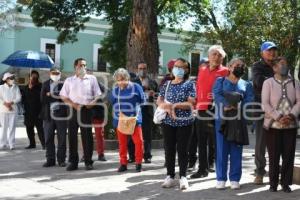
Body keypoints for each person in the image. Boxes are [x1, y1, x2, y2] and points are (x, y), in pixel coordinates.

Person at [213, 58, 254, 189]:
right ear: (229, 67)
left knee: (236, 148)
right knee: (221, 149)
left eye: (242, 66)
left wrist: (239, 106)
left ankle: (235, 178)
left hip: (238, 120)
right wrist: (226, 105)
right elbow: (217, 94)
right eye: (237, 65)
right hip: (222, 119)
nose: (240, 67)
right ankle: (221, 178)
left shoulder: (246, 84)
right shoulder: (220, 81)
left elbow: (249, 100)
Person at [262, 57, 300, 193]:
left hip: (290, 125)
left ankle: (286, 183)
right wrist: (277, 117)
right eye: (281, 64)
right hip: (273, 126)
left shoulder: (295, 83)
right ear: (275, 67)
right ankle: (273, 184)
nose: (285, 66)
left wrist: (290, 116)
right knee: (273, 156)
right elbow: (265, 103)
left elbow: (299, 102)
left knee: (289, 155)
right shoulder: (268, 83)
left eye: (286, 63)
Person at [157, 58, 195, 190]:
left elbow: (191, 103)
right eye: (176, 66)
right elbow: (159, 100)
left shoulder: (189, 84)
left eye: (182, 67)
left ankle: (183, 177)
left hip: (185, 122)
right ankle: (170, 176)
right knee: (169, 149)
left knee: (183, 150)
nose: (178, 69)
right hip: (168, 122)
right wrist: (165, 106)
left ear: (187, 70)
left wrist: (174, 106)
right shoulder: (166, 84)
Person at [192, 45, 229, 179]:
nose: (217, 57)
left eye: (220, 55)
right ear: (208, 56)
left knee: (216, 140)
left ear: (223, 59)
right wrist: (195, 106)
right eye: (214, 54)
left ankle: (219, 168)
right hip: (201, 109)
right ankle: (203, 169)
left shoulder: (226, 71)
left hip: (217, 109)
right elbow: (198, 88)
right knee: (201, 141)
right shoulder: (202, 70)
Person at [60, 58, 101, 171]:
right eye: (81, 65)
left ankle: (88, 161)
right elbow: (63, 96)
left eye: (85, 65)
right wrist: (73, 105)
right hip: (73, 110)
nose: (83, 67)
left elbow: (97, 95)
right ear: (75, 67)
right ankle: (73, 162)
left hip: (86, 110)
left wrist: (93, 103)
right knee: (72, 136)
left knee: (87, 136)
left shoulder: (92, 79)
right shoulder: (69, 80)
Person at [252, 41, 278, 184]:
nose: (272, 53)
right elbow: (258, 82)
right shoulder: (257, 66)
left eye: (274, 50)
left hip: (279, 108)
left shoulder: (280, 64)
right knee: (261, 142)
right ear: (262, 52)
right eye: (269, 50)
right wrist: (276, 80)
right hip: (261, 107)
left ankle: (276, 171)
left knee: (277, 141)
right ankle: (260, 172)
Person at [110, 68, 145, 173]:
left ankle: (138, 163)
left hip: (134, 119)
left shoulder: (136, 87)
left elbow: (142, 100)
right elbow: (113, 102)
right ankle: (123, 163)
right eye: (118, 79)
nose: (120, 81)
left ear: (127, 78)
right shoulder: (116, 90)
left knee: (138, 142)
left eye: (122, 79)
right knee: (122, 143)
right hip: (120, 120)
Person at [129, 62, 158, 164]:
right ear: (137, 69)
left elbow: (158, 97)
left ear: (147, 69)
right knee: (132, 134)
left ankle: (147, 156)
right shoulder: (132, 82)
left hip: (147, 110)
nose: (142, 70)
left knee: (147, 135)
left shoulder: (153, 82)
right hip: (135, 111)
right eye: (140, 68)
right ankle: (132, 156)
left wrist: (153, 94)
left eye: (144, 68)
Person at [40, 68, 68, 167]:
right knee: (48, 138)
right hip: (48, 115)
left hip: (61, 115)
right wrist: (57, 96)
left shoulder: (64, 84)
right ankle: (50, 159)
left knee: (62, 138)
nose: (55, 74)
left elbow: (66, 98)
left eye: (57, 73)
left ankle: (61, 160)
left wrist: (51, 95)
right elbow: (43, 99)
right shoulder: (45, 84)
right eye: (54, 73)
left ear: (60, 74)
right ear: (50, 73)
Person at [188, 58, 209, 171]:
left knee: (207, 141)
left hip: (206, 113)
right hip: (193, 114)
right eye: (204, 65)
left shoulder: (213, 79)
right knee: (192, 140)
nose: (205, 67)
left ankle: (208, 163)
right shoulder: (193, 82)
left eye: (207, 65)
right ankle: (192, 162)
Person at [22, 70, 45, 149]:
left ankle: (44, 144)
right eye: (32, 76)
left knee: (40, 129)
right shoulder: (25, 87)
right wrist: (29, 88)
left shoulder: (41, 86)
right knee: (29, 129)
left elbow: (41, 97)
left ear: (38, 77)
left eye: (35, 76)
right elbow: (23, 99)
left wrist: (33, 88)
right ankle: (32, 144)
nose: (34, 78)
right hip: (28, 112)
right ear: (29, 77)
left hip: (38, 111)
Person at [0, 72, 21, 150]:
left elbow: (19, 97)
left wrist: (11, 103)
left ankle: (12, 144)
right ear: (6, 79)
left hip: (13, 110)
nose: (12, 80)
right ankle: (3, 143)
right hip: (3, 110)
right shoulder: (1, 87)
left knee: (12, 127)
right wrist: (6, 104)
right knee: (4, 127)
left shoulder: (16, 87)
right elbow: (0, 98)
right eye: (11, 78)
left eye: (13, 78)